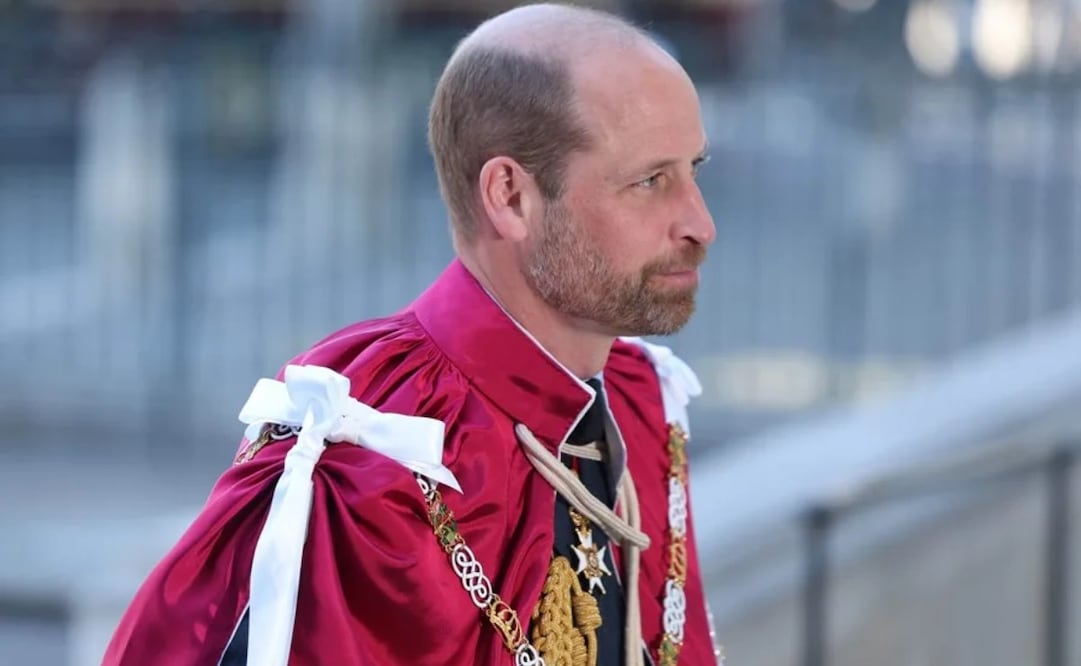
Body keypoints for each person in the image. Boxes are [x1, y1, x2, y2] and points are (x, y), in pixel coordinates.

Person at [103, 3, 719, 665]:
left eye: (693, 171)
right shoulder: (371, 458)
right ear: (510, 197)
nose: (699, 224)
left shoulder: (636, 400)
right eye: (649, 181)